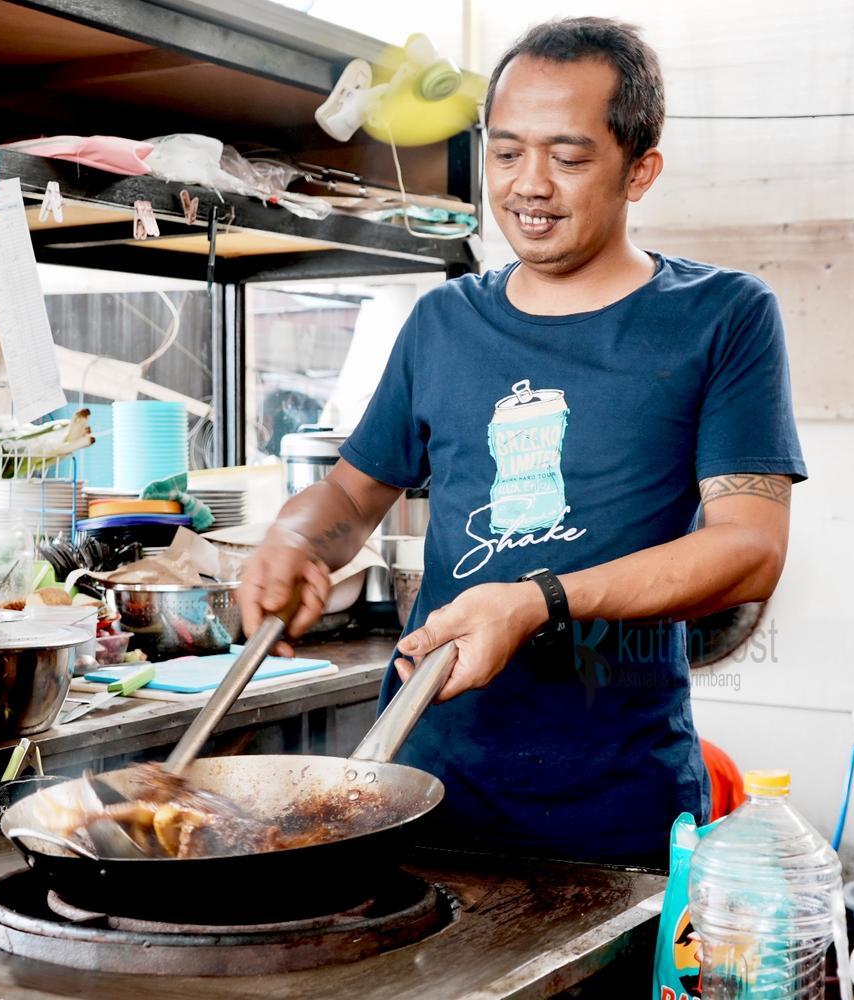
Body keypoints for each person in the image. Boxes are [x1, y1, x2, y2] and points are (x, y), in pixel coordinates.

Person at [238, 16, 805, 865]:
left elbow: (749, 549)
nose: (529, 186)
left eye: (568, 158)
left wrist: (536, 599)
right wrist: (294, 534)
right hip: (424, 782)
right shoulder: (443, 320)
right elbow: (355, 493)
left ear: (639, 170)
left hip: (615, 806)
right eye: (507, 154)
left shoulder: (722, 315)